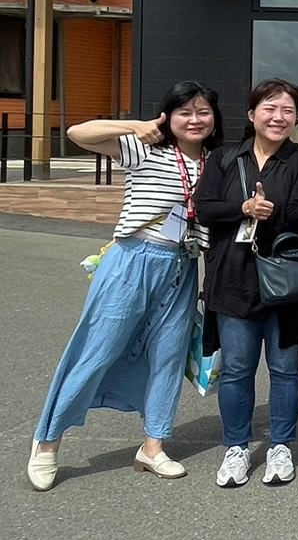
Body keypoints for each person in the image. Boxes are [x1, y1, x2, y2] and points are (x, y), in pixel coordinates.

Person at [28, 82, 221, 491]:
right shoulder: (146, 149)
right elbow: (78, 133)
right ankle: (47, 443)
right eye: (185, 112)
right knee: (95, 350)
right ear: (169, 116)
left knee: (167, 357)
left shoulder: (215, 163)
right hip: (133, 258)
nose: (195, 119)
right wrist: (136, 125)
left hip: (182, 267)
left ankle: (153, 446)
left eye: (203, 112)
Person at [196, 79, 298, 488]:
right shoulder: (224, 158)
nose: (279, 117)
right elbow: (204, 210)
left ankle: (281, 445)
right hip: (233, 277)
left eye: (289, 110)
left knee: (285, 368)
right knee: (237, 368)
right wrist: (244, 207)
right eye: (270, 108)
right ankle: (236, 447)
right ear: (252, 114)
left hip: (286, 280)